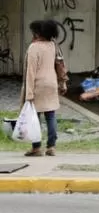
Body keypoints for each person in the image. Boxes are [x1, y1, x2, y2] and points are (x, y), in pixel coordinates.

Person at [22, 20, 60, 157]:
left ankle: (36, 147)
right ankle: (51, 146)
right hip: (51, 82)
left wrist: (29, 92)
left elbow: (31, 71)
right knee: (50, 115)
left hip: (38, 83)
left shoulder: (34, 47)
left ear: (38, 33)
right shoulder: (52, 45)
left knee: (35, 117)